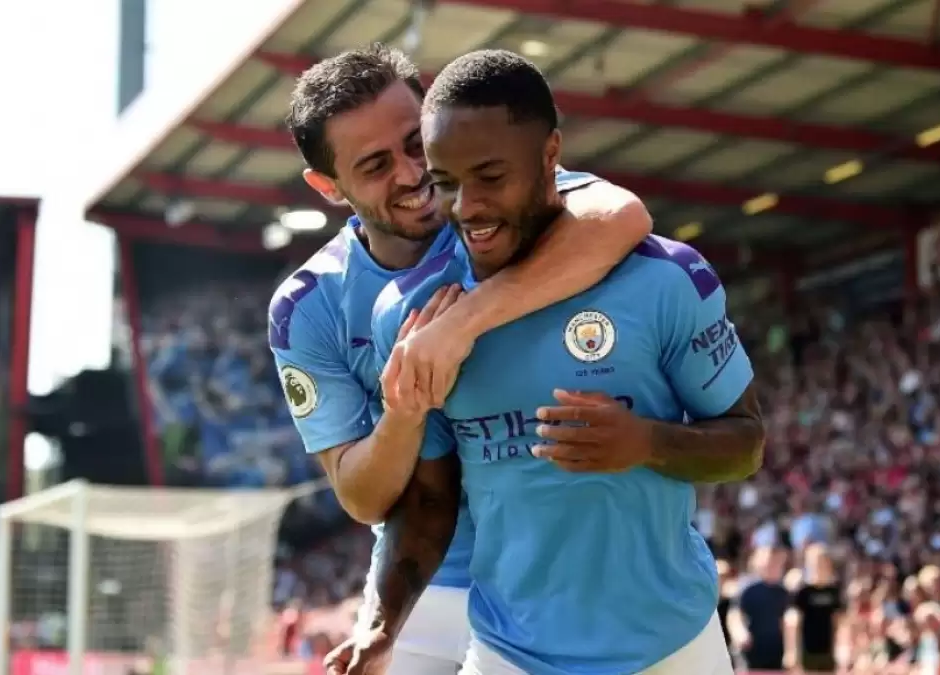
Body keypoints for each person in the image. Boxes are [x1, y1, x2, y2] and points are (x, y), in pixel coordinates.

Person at [367, 49, 764, 675]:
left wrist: (646, 443)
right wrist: (384, 623)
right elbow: (429, 503)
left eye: (490, 176)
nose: (466, 206)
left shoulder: (664, 279)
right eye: (446, 181)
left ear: (550, 154)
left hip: (673, 647)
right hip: (509, 654)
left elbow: (746, 444)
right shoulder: (415, 317)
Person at [268, 44, 652, 675]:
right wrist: (404, 409)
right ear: (328, 186)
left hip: (558, 579)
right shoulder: (307, 305)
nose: (411, 173)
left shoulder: (496, 203)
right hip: (424, 589)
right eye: (375, 165)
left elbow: (621, 215)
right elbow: (362, 497)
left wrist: (460, 325)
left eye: (413, 143)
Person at [729, 546, 790, 673]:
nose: (773, 566)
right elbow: (735, 615)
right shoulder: (747, 589)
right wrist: (740, 633)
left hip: (776, 652)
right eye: (769, 563)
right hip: (751, 650)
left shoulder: (784, 592)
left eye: (776, 563)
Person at [786, 543, 842, 672]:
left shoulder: (834, 592)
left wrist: (841, 649)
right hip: (806, 651)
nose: (819, 567)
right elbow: (793, 622)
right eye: (815, 563)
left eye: (822, 563)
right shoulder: (802, 591)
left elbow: (839, 622)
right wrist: (791, 651)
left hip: (828, 651)